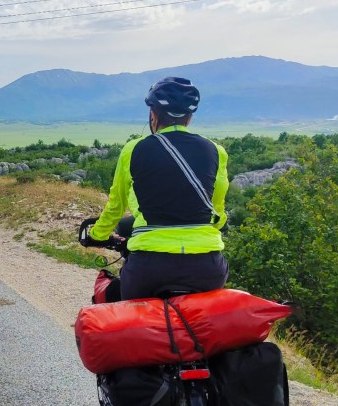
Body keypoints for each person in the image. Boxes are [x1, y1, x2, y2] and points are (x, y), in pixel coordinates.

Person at [82, 76, 229, 300]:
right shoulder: (216, 151)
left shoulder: (133, 149)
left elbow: (116, 206)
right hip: (207, 267)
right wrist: (217, 224)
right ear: (189, 118)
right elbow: (216, 208)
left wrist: (97, 234)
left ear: (153, 115)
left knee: (128, 315)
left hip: (148, 267)